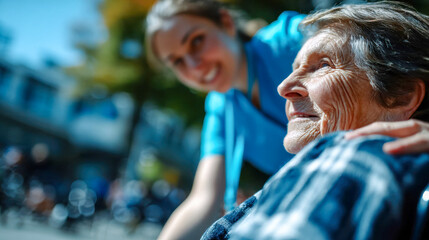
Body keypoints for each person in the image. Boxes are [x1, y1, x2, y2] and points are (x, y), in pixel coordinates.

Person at [201, 1, 429, 239]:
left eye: (323, 65)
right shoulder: (224, 103)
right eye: (294, 68)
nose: (283, 87)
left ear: (402, 96)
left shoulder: (359, 156)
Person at [145, 0, 304, 238]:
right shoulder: (221, 107)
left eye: (196, 41)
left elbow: (371, 37)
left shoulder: (290, 41)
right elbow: (204, 200)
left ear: (227, 23)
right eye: (177, 61)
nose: (194, 66)